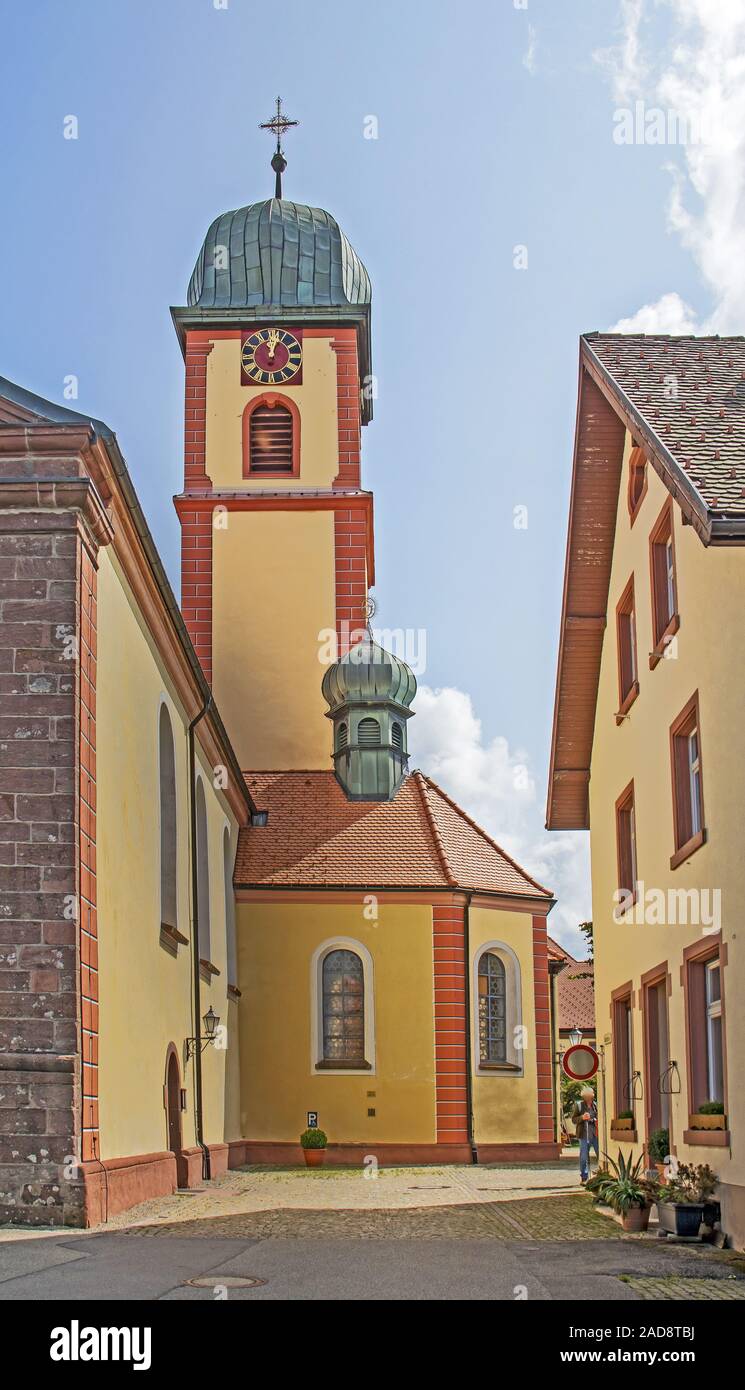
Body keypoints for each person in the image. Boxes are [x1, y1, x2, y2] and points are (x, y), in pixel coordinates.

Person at [571, 1084, 599, 1184]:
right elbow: (574, 1120)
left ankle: (602, 1174)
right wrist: (582, 1118)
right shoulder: (578, 1105)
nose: (588, 1098)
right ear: (583, 1097)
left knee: (600, 1154)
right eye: (586, 1096)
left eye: (589, 1096)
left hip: (595, 1134)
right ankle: (584, 1177)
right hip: (583, 1134)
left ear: (592, 1096)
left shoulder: (596, 1105)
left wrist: (595, 1119)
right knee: (584, 1156)